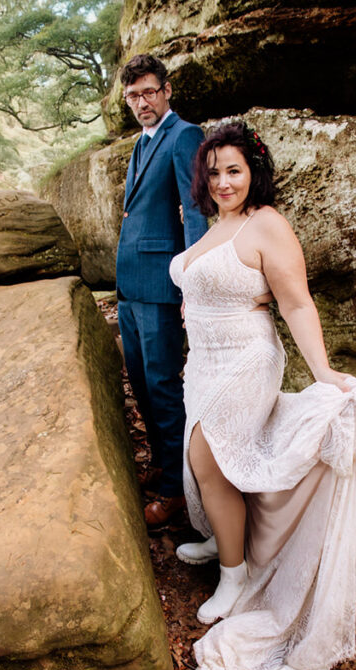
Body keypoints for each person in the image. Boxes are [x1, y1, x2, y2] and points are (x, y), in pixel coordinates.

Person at [169, 121, 356, 670]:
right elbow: (213, 284)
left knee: (208, 460)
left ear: (253, 170)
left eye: (233, 169)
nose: (222, 181)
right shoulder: (217, 226)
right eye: (213, 172)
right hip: (204, 363)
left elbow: (294, 301)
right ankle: (223, 539)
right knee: (206, 460)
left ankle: (236, 579)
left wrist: (323, 374)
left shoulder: (268, 223)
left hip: (246, 359)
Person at [115, 54, 210, 525]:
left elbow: (195, 214)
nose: (142, 102)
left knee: (163, 386)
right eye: (133, 95)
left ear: (166, 90)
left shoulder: (184, 135)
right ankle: (161, 463)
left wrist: (191, 286)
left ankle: (176, 492)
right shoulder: (139, 144)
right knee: (141, 384)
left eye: (149, 91)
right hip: (130, 288)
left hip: (161, 287)